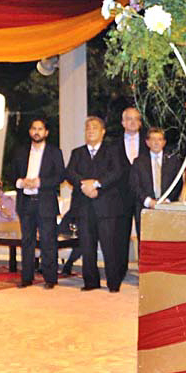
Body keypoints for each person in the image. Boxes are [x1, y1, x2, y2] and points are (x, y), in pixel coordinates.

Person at [65, 116, 126, 291]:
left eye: (95, 128)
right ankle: (90, 283)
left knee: (109, 247)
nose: (90, 130)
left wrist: (97, 184)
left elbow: (116, 172)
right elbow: (70, 172)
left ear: (103, 132)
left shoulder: (112, 151)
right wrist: (84, 185)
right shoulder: (77, 152)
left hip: (106, 206)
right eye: (88, 128)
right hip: (84, 206)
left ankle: (113, 284)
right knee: (87, 247)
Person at [11, 117, 64, 288]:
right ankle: (26, 278)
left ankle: (50, 279)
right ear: (29, 132)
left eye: (40, 129)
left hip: (45, 202)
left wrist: (40, 182)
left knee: (48, 241)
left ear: (46, 132)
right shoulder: (20, 151)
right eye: (34, 128)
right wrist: (21, 182)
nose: (37, 132)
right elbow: (11, 175)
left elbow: (60, 176)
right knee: (27, 241)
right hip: (25, 202)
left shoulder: (54, 152)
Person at [116, 106, 146, 279]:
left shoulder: (149, 143)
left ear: (140, 123)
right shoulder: (113, 144)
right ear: (123, 122)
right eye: (129, 119)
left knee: (145, 235)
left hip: (143, 196)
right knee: (121, 234)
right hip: (121, 196)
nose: (132, 122)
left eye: (136, 119)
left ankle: (145, 271)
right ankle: (120, 271)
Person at [130, 126, 182, 227]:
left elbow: (178, 183)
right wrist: (149, 202)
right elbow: (134, 185)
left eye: (159, 139)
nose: (156, 142)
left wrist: (167, 200)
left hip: (168, 209)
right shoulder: (138, 162)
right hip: (145, 209)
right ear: (147, 142)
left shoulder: (173, 161)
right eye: (153, 139)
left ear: (164, 142)